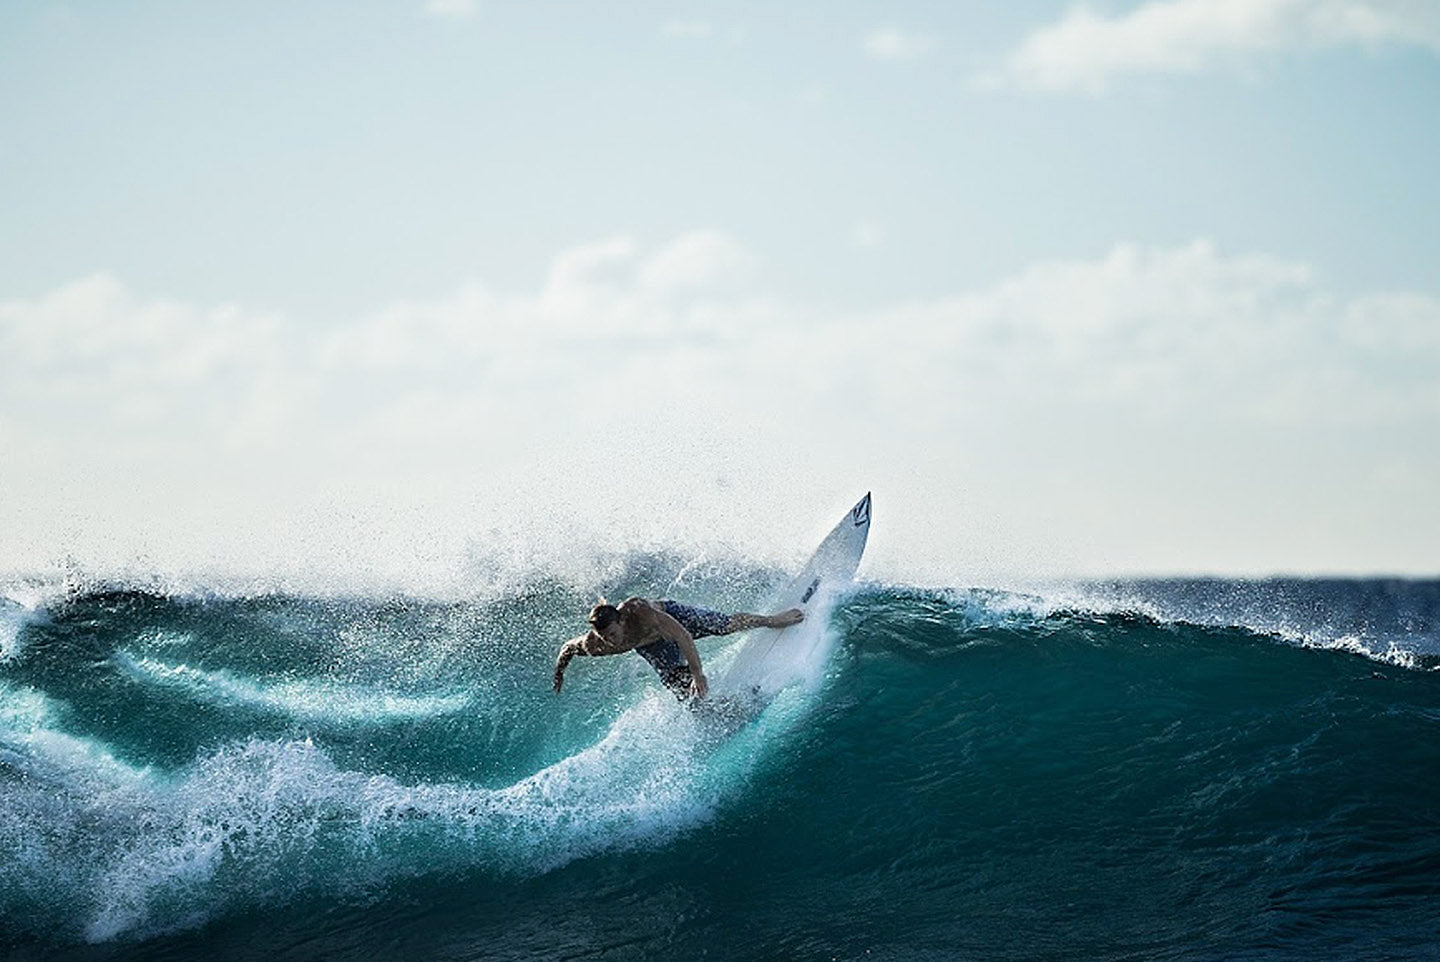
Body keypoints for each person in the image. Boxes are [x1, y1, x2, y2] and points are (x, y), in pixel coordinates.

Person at [552, 598, 803, 700]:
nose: (611, 642)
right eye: (605, 637)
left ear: (621, 620)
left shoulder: (641, 612)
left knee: (724, 625)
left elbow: (682, 636)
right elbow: (568, 648)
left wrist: (698, 673)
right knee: (681, 689)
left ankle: (772, 620)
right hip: (652, 648)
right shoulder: (596, 645)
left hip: (672, 620)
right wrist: (559, 673)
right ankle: (716, 711)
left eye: (613, 634)